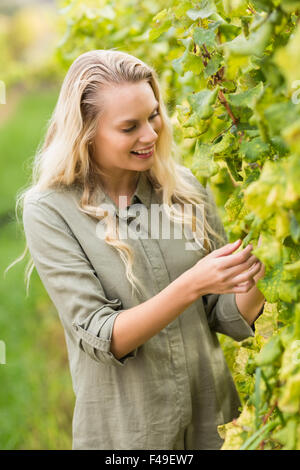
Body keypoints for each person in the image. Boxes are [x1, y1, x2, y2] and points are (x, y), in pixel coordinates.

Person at [9, 49, 266, 450]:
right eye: (129, 127)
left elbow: (223, 316)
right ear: (87, 133)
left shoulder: (182, 190)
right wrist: (192, 284)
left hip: (212, 426)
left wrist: (271, 256)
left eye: (153, 115)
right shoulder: (50, 210)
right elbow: (103, 338)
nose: (150, 134)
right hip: (128, 437)